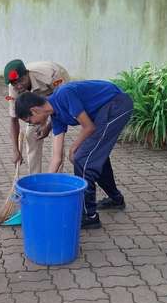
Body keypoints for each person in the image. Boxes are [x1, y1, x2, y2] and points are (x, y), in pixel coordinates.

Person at [15, 80, 134, 229]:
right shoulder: (56, 116)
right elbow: (57, 157)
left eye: (30, 121)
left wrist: (73, 148)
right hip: (104, 112)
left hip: (117, 105)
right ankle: (116, 199)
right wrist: (44, 188)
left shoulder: (64, 94)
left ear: (34, 110)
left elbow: (88, 127)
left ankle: (89, 216)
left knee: (82, 159)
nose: (34, 124)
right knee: (94, 157)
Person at [5, 59, 70, 174]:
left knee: (58, 137)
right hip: (35, 103)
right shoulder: (13, 87)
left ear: (27, 73)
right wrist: (15, 150)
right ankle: (34, 177)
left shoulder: (52, 76)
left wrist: (48, 127)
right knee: (31, 135)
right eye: (15, 84)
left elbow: (62, 105)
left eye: (21, 81)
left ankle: (56, 177)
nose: (19, 86)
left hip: (54, 89)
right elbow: (13, 119)